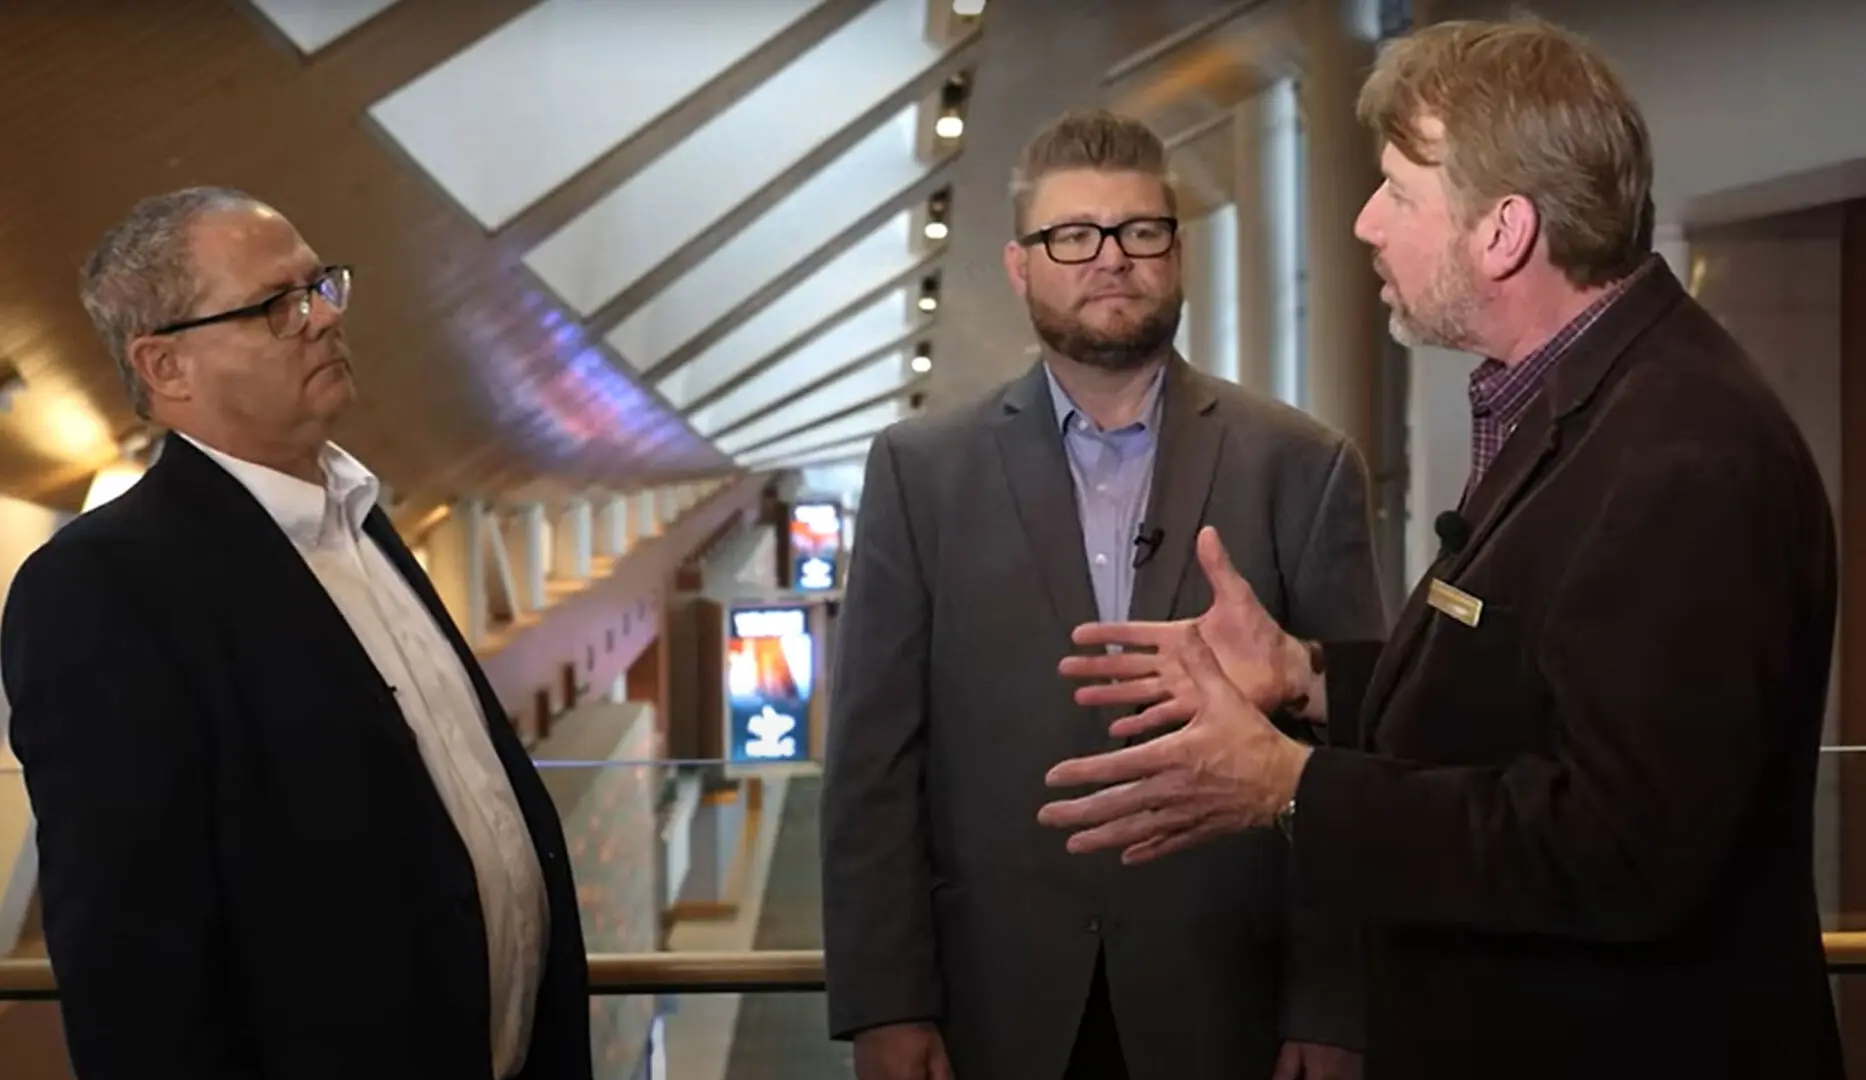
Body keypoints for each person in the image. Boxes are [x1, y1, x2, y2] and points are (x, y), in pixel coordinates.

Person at [1036, 18, 1844, 1080]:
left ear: (1502, 232)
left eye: (1400, 192)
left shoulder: (1682, 452)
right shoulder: (1589, 402)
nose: (1366, 222)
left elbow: (1624, 849)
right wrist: (1306, 675)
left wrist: (1289, 785)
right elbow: (1516, 679)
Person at [820, 109, 1387, 1080]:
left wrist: (1333, 1005)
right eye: (1072, 236)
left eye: (1140, 232)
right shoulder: (919, 473)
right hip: (992, 1010)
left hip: (1229, 1007)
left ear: (1177, 252)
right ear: (1019, 265)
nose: (1110, 259)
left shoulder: (1304, 466)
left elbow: (1354, 760)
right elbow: (873, 765)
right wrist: (886, 1003)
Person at [2, 187, 594, 1080]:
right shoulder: (104, 586)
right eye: (277, 306)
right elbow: (135, 964)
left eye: (319, 286)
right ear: (165, 368)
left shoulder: (366, 523)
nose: (321, 319)